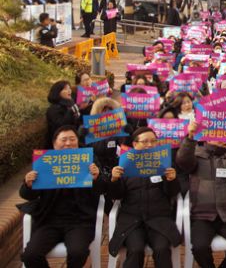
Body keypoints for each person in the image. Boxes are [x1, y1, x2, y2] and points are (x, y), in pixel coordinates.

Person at [19, 126, 102, 268]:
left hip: (80, 221)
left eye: (72, 139)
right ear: (54, 143)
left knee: (78, 253)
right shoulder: (45, 162)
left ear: (77, 141)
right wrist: (28, 184)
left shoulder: (89, 161)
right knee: (30, 255)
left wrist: (96, 178)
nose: (68, 143)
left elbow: (103, 190)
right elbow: (27, 195)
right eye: (63, 140)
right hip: (49, 221)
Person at [176, 121, 226, 268]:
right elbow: (183, 161)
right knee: (199, 247)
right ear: (206, 136)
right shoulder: (197, 154)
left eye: (224, 135)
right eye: (216, 134)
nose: (221, 138)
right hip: (202, 215)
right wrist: (190, 138)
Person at [108, 127, 182, 268]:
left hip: (159, 219)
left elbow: (172, 193)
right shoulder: (124, 164)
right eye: (145, 141)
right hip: (132, 220)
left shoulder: (164, 163)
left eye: (153, 141)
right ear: (135, 144)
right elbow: (116, 195)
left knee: (161, 249)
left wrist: (172, 180)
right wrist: (114, 180)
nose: (149, 145)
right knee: (135, 250)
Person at [46, 80, 81, 148]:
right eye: (65, 89)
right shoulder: (53, 109)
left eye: (69, 88)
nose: (69, 91)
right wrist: (71, 112)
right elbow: (60, 125)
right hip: (57, 146)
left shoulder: (71, 105)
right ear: (58, 92)